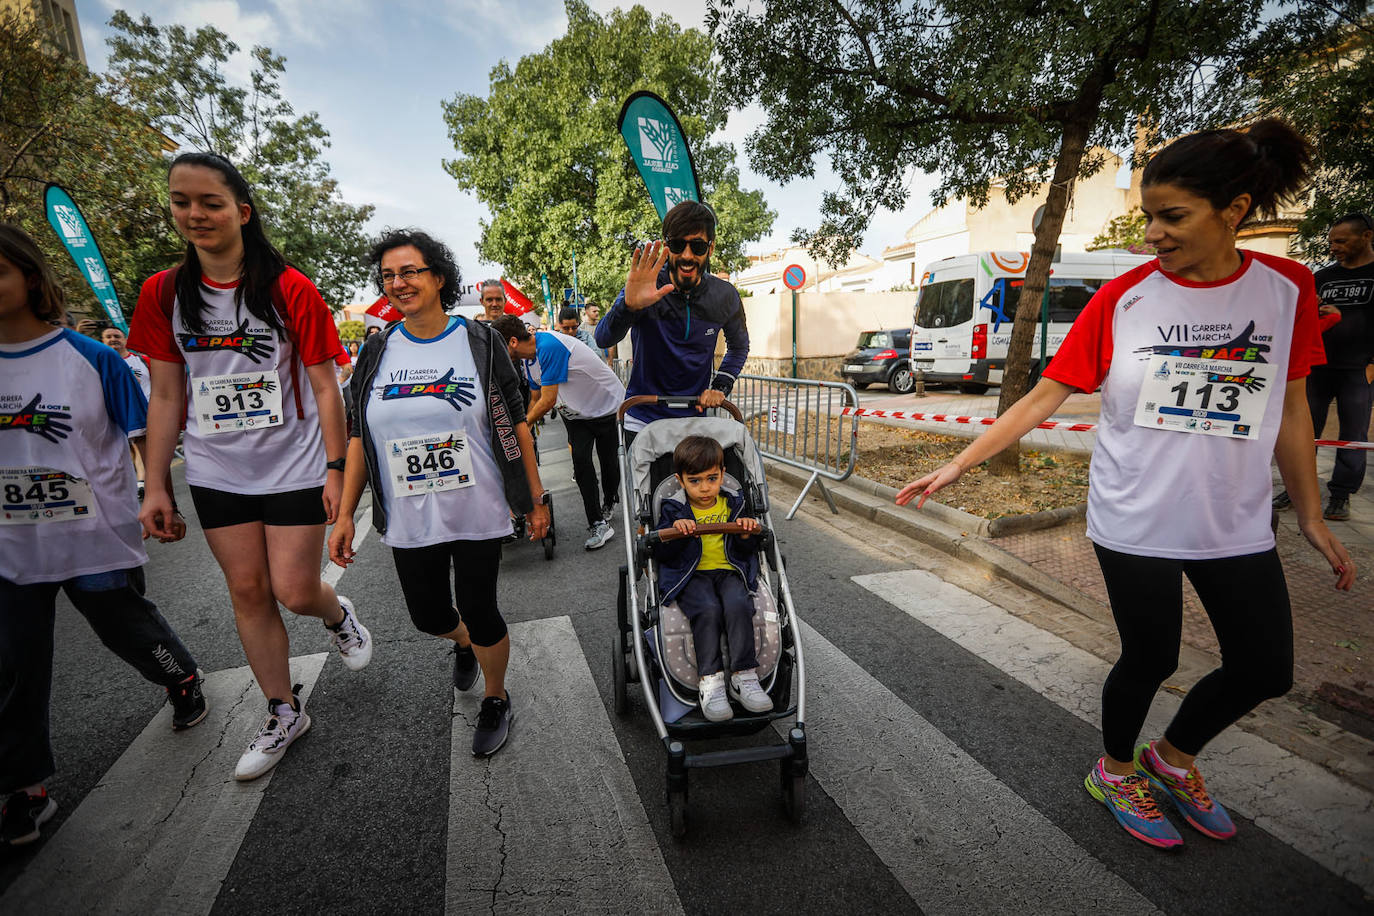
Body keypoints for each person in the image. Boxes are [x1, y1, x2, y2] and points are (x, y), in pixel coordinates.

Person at [896, 119, 1356, 850]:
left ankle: (1172, 759)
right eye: (1148, 215)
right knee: (1153, 657)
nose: (1152, 235)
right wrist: (958, 462)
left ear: (1234, 211)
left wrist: (1309, 515)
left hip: (1232, 521)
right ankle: (1115, 770)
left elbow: (1294, 406)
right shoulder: (1125, 298)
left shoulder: (1288, 289)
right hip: (1134, 516)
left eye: (1172, 216)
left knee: (1265, 669)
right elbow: (1044, 397)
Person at [129, 152, 372, 782]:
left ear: (241, 210)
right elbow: (165, 396)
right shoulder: (162, 293)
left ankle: (336, 615)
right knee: (247, 591)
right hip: (216, 471)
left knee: (295, 591)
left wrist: (335, 467)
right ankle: (283, 710)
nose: (195, 214)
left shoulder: (289, 288)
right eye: (181, 201)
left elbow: (325, 388)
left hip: (293, 465)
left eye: (210, 202)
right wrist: (156, 483)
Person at [0, 224, 206, 847]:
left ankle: (181, 676)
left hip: (93, 532)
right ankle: (24, 788)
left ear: (29, 278)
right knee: (13, 663)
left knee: (123, 624)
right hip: (11, 545)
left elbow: (145, 432)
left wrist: (157, 497)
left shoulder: (94, 358)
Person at [328, 229, 549, 757]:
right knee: (427, 614)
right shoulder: (379, 347)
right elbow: (359, 432)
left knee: (481, 606)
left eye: (410, 271)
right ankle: (465, 644)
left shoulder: (477, 340)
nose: (399, 283)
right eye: (388, 275)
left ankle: (495, 696)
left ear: (438, 277)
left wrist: (535, 497)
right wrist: (343, 514)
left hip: (476, 505)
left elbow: (513, 420)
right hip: (408, 514)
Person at [595, 200, 749, 438]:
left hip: (695, 419)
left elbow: (739, 346)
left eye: (697, 247)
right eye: (678, 245)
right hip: (642, 420)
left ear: (711, 248)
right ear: (666, 246)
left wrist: (720, 387)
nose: (687, 256)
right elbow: (603, 338)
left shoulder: (724, 295)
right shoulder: (646, 283)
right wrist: (627, 307)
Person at [653, 436, 771, 721]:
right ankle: (711, 680)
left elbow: (748, 549)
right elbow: (663, 555)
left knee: (738, 604)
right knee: (707, 609)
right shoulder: (673, 510)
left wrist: (745, 533)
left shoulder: (735, 504)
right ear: (680, 481)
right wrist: (677, 534)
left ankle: (744, 675)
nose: (704, 488)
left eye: (712, 478)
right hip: (691, 576)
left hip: (729, 571)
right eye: (695, 481)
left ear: (722, 474)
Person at [492, 315, 624, 550]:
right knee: (582, 462)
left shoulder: (549, 345)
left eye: (500, 347)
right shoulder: (527, 358)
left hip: (606, 407)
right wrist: (527, 430)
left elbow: (548, 400)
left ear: (512, 342)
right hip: (575, 413)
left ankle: (610, 498)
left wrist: (518, 427)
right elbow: (534, 399)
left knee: (609, 464)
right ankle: (597, 523)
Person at [1274, 212, 1374, 521]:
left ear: (1367, 237)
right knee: (1302, 430)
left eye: (1341, 241)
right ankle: (1294, 489)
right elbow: (1301, 318)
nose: (1333, 247)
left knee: (1353, 433)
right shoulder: (1323, 277)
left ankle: (1340, 495)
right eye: (1331, 241)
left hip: (1359, 370)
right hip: (1315, 367)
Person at [101, 325, 151, 497]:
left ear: (125, 340)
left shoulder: (143, 360)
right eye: (108, 336)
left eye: (117, 335)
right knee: (126, 452)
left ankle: (143, 482)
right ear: (102, 341)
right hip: (113, 417)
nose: (113, 339)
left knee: (140, 446)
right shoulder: (99, 364)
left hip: (144, 414)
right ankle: (134, 483)